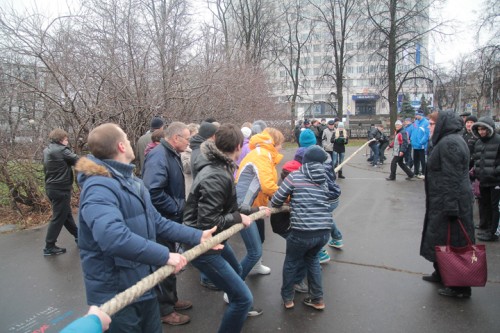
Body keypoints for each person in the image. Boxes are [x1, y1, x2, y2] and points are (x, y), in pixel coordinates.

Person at [75, 123, 217, 332]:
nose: (131, 142)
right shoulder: (98, 187)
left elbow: (156, 221)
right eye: (126, 137)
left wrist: (197, 235)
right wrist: (165, 256)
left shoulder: (131, 180)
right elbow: (113, 237)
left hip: (144, 283)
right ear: (121, 146)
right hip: (117, 293)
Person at [183, 124, 270, 332]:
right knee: (243, 299)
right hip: (204, 245)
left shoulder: (220, 167)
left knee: (238, 270)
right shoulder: (216, 174)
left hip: (215, 241)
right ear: (239, 146)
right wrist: (238, 217)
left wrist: (254, 209)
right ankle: (239, 305)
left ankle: (237, 301)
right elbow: (207, 223)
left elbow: (228, 205)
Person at [142, 122, 194, 326]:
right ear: (176, 138)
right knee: (163, 262)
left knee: (171, 260)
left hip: (168, 219)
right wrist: (176, 207)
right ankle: (164, 310)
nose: (189, 143)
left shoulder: (169, 153)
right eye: (187, 138)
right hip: (162, 221)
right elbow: (153, 191)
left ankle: (171, 300)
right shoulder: (159, 156)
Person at [271, 146, 334, 310]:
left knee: (291, 262)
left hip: (302, 232)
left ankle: (288, 298)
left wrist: (291, 202)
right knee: (312, 260)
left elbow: (277, 200)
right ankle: (317, 299)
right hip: (323, 232)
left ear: (305, 161)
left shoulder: (295, 176)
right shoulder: (324, 180)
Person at [420, 110, 475, 298]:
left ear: (442, 124)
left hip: (451, 201)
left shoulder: (450, 143)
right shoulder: (447, 140)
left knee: (455, 242)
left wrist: (451, 206)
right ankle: (442, 273)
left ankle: (460, 286)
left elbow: (453, 177)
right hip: (442, 199)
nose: (429, 127)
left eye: (432, 124)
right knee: (441, 238)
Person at [235, 128, 285, 277]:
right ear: (274, 143)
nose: (281, 147)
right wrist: (289, 197)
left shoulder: (265, 155)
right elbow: (268, 186)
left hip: (255, 206)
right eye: (280, 143)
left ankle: (256, 267)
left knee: (260, 239)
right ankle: (234, 287)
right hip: (244, 208)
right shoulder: (262, 156)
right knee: (254, 252)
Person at [42, 129, 79, 256]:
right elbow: (78, 160)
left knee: (66, 215)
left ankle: (79, 236)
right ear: (61, 139)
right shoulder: (62, 150)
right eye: (66, 138)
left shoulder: (47, 150)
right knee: (58, 217)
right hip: (60, 189)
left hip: (51, 188)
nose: (67, 141)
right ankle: (49, 246)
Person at [471, 116, 500, 242]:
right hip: (483, 180)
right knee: (486, 205)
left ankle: (493, 232)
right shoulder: (478, 142)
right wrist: (476, 171)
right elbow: (477, 160)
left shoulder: (498, 140)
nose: (482, 132)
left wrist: (495, 172)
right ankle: (488, 229)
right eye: (479, 129)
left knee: (495, 207)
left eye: (484, 129)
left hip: (496, 180)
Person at [409, 112, 430, 179]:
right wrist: (411, 139)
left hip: (421, 145)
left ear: (420, 115)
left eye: (417, 115)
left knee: (423, 160)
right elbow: (412, 131)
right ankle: (416, 172)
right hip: (415, 144)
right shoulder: (415, 122)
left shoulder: (426, 123)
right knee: (415, 159)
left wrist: (422, 142)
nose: (416, 116)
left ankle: (423, 172)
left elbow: (427, 134)